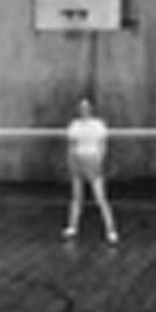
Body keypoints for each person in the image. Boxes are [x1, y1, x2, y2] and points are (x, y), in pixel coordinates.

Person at [64, 96, 119, 244]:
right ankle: (72, 227)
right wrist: (71, 162)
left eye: (86, 107)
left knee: (100, 198)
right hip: (78, 161)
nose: (84, 110)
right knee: (76, 198)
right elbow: (71, 146)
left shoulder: (98, 125)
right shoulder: (74, 125)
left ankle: (111, 230)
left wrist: (99, 161)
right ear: (79, 110)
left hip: (93, 161)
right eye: (81, 107)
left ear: (91, 109)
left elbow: (103, 146)